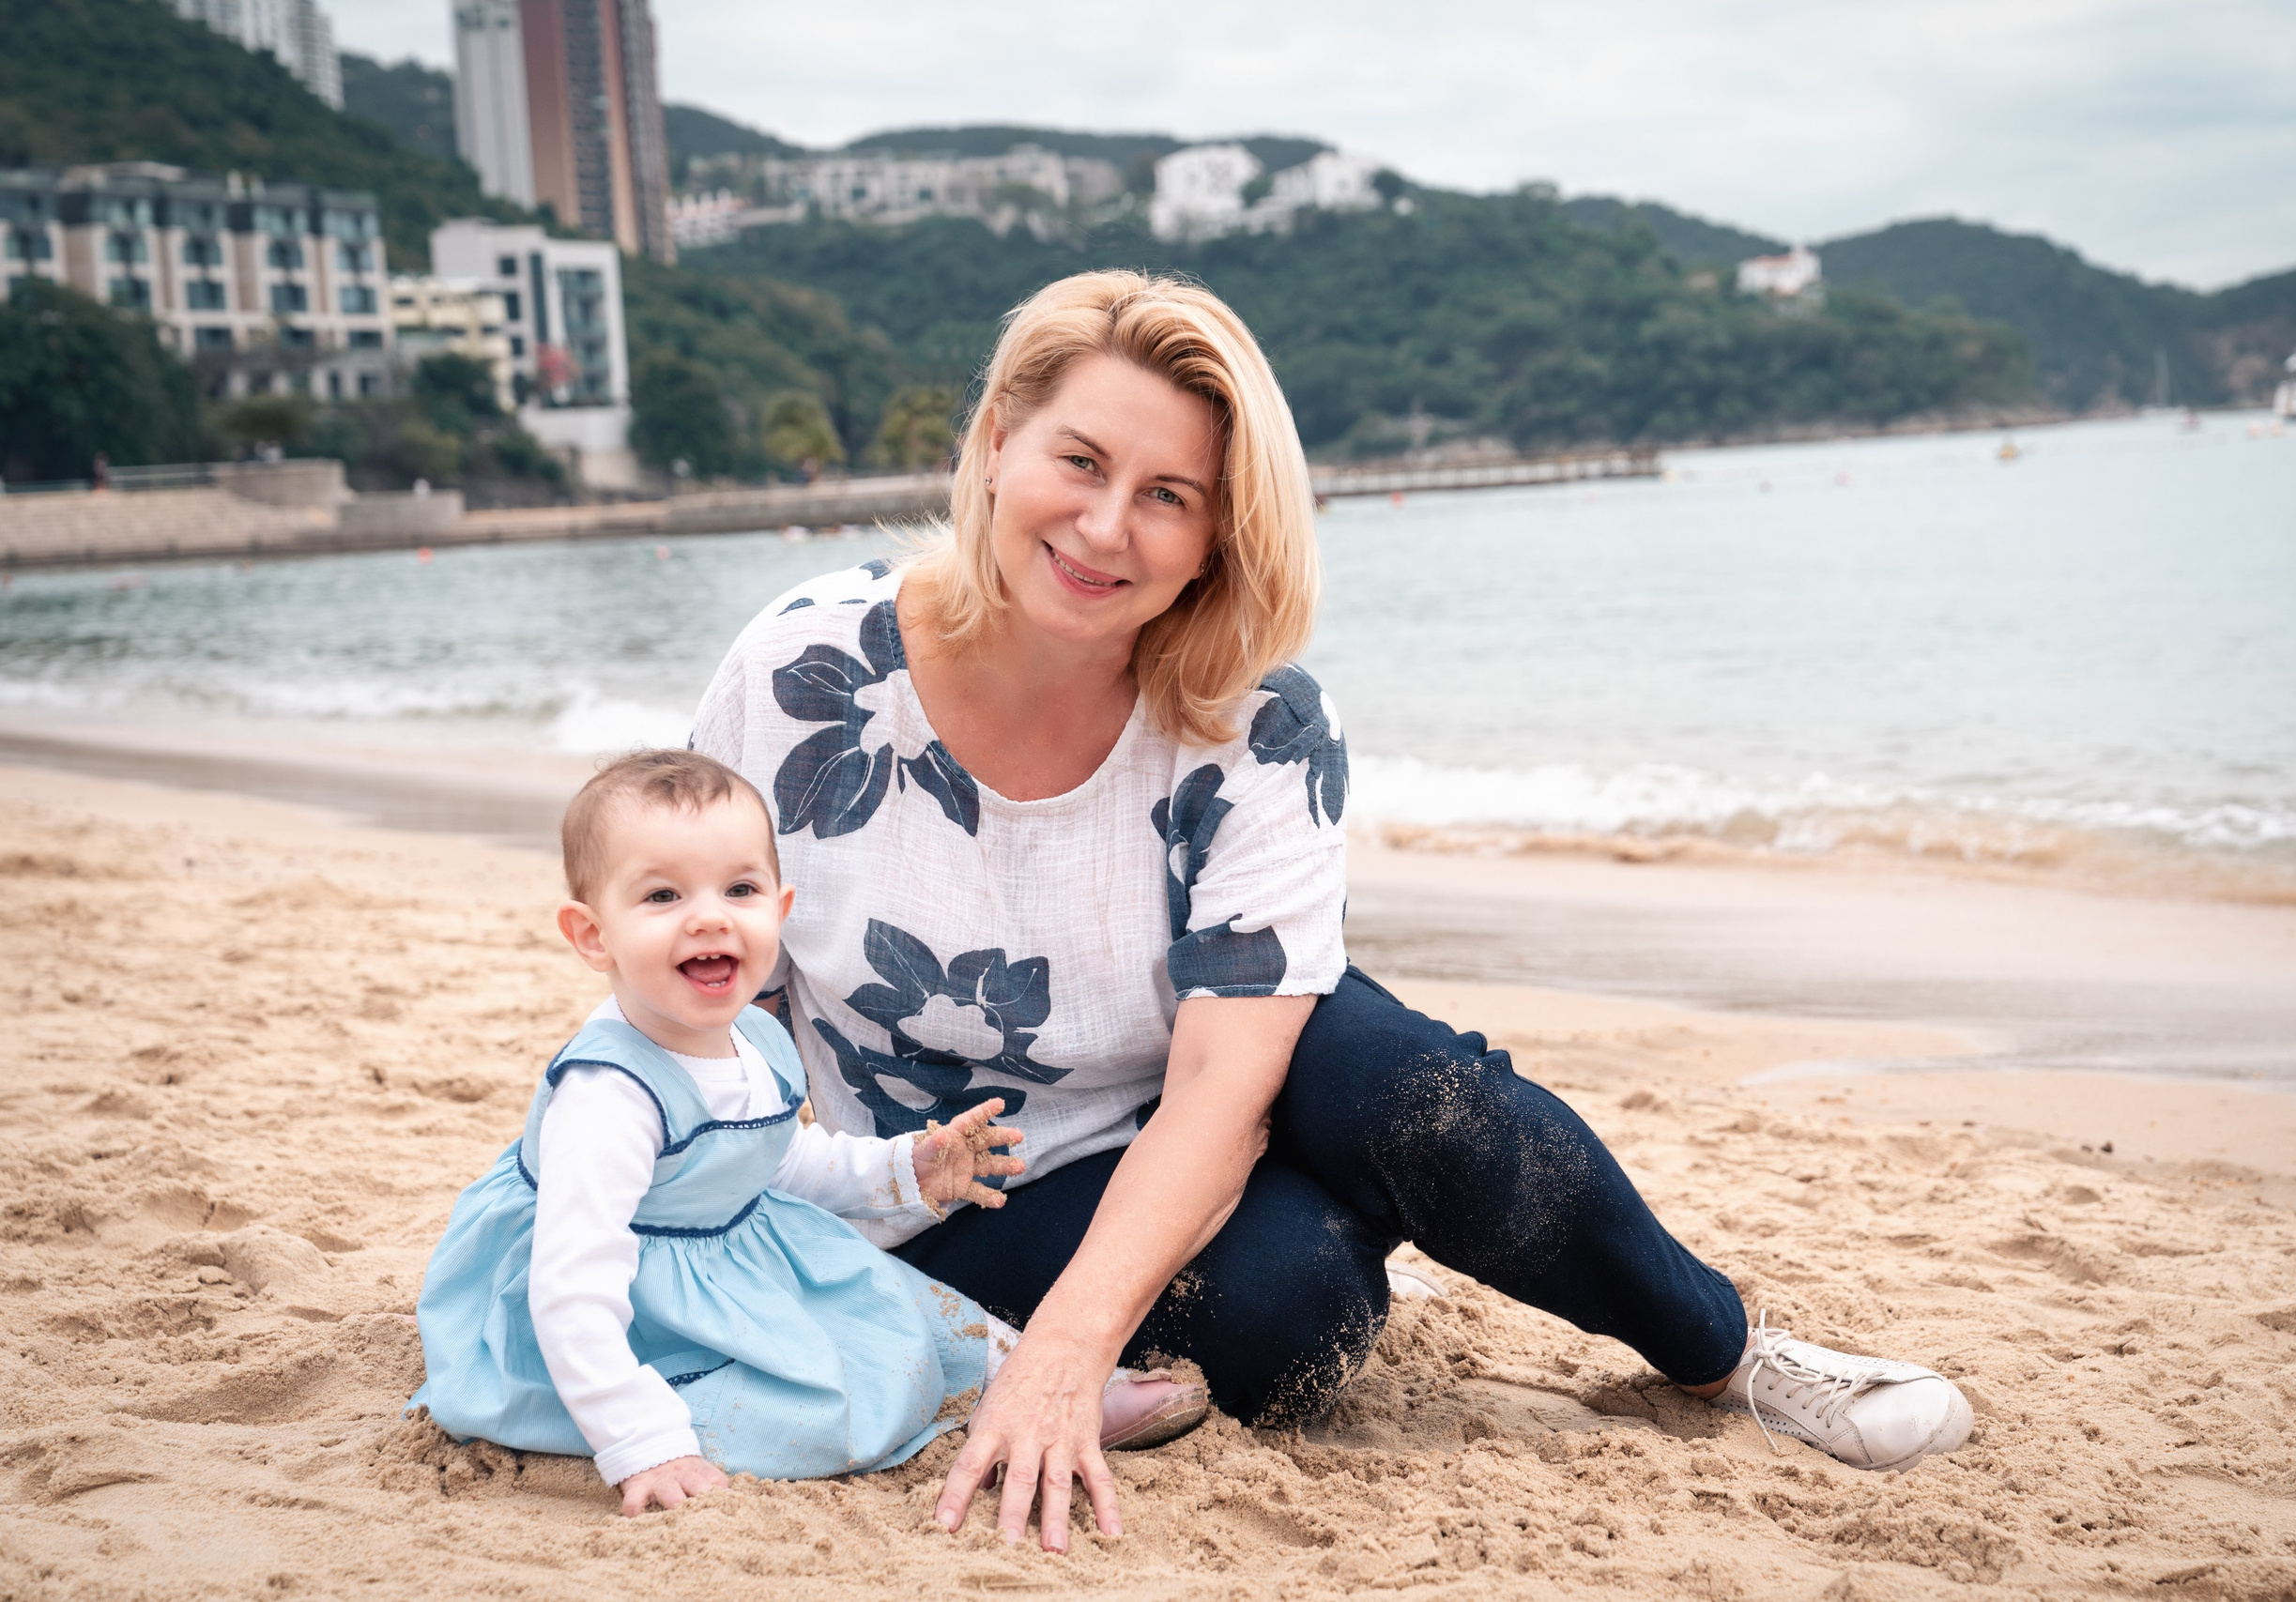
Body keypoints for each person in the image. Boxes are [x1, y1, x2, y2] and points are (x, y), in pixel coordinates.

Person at [691, 270, 1972, 1553]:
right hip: (972, 1184)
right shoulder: (807, 674)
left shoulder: (1258, 716)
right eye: (1078, 461)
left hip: (1213, 1077)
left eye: (1168, 496)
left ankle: (1728, 1350)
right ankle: (1333, 1217)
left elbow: (1218, 1088)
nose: (1102, 526)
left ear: (1218, 535)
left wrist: (1065, 1355)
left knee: (1425, 1099)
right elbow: (699, 996)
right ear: (993, 444)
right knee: (1287, 1307)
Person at [410, 749, 1205, 1518]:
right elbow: (572, 1286)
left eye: (741, 888)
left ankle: (1039, 1385)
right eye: (661, 897)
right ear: (592, 935)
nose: (709, 916)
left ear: (781, 913)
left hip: (732, 1248)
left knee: (906, 1306)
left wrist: (906, 1169)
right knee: (822, 1405)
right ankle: (689, 1415)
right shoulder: (610, 1094)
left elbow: (776, 1158)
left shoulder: (752, 1037)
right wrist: (640, 1443)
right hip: (624, 1297)